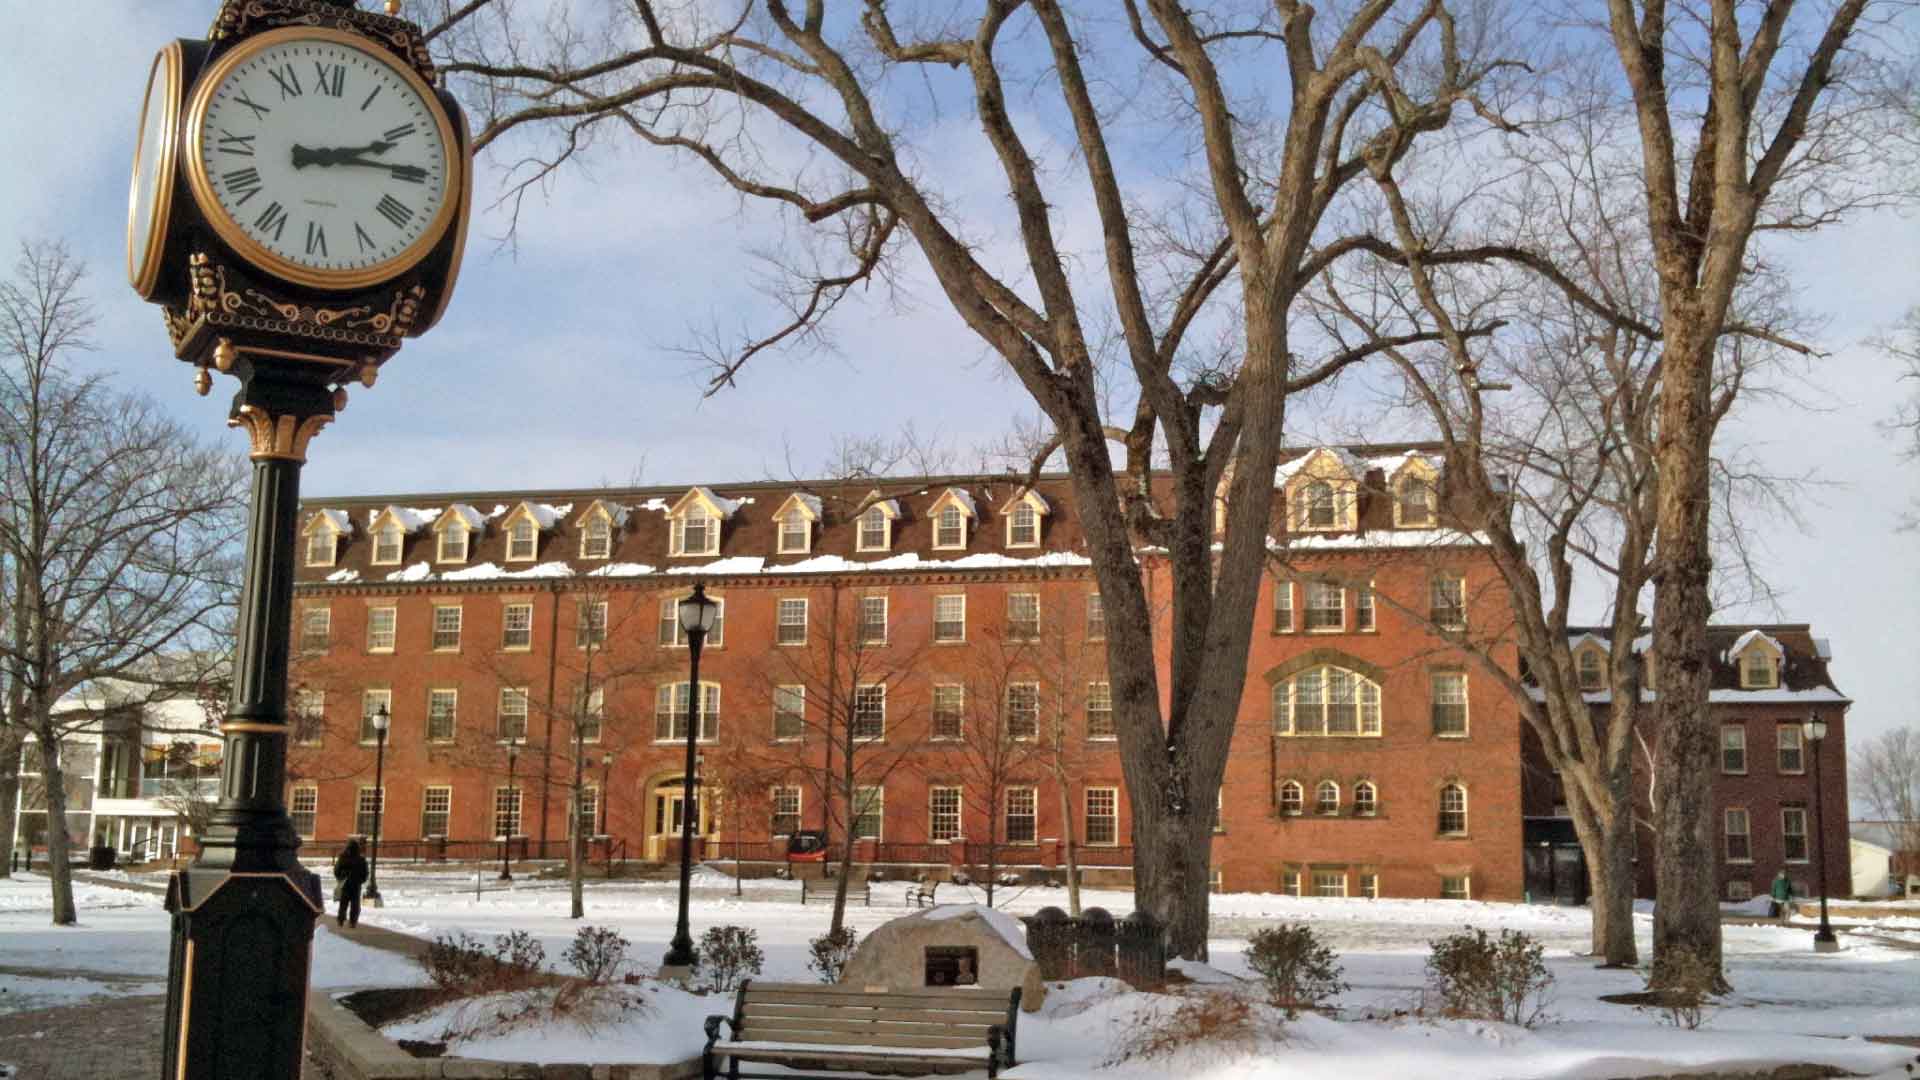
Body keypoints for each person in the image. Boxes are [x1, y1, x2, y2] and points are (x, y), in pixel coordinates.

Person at [334, 839, 369, 929]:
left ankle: (340, 920)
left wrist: (340, 879)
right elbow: (365, 874)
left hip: (345, 884)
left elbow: (336, 870)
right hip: (356, 885)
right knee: (355, 905)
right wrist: (360, 880)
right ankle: (352, 922)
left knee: (343, 903)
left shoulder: (342, 857)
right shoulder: (361, 859)